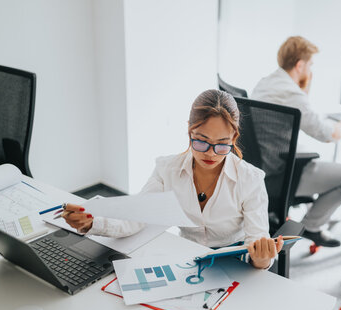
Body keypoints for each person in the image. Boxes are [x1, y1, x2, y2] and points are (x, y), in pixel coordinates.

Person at [63, 89, 283, 270]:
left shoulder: (250, 179)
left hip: (233, 262)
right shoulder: (167, 169)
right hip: (185, 258)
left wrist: (262, 258)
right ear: (189, 131)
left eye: (222, 144)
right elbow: (135, 217)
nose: (211, 153)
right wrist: (93, 223)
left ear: (234, 138)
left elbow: (257, 243)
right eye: (201, 141)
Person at [251, 35, 341, 247]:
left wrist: (303, 89)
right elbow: (327, 134)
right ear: (300, 65)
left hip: (264, 166)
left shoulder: (266, 83)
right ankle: (312, 225)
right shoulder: (291, 94)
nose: (311, 71)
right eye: (311, 65)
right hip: (284, 173)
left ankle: (313, 219)